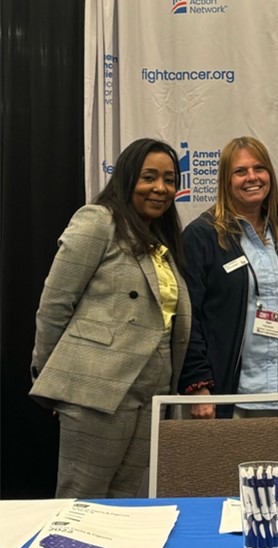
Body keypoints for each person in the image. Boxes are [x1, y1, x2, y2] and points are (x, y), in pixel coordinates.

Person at [30, 138, 190, 498]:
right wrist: (57, 383)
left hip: (153, 390)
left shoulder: (161, 239)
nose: (161, 188)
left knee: (126, 502)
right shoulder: (98, 221)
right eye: (149, 177)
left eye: (169, 179)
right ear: (127, 177)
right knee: (82, 500)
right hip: (97, 389)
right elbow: (54, 305)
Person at [179, 136, 278, 418]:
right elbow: (186, 317)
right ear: (226, 181)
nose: (251, 177)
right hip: (225, 398)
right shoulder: (202, 236)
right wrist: (198, 386)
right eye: (240, 171)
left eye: (259, 168)